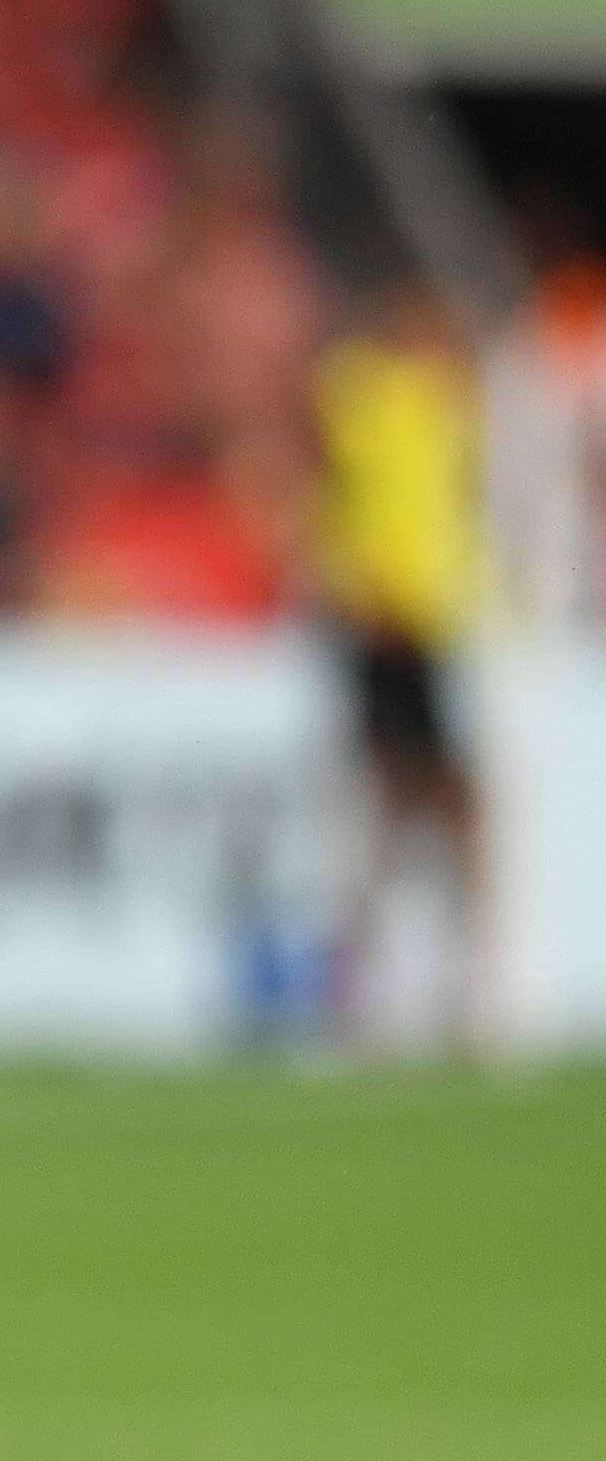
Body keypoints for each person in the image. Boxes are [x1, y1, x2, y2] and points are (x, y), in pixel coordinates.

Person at [312, 283, 486, 1048]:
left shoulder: (450, 400)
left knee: (443, 806)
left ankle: (454, 979)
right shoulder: (360, 394)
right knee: (393, 802)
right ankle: (367, 986)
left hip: (435, 622)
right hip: (387, 624)